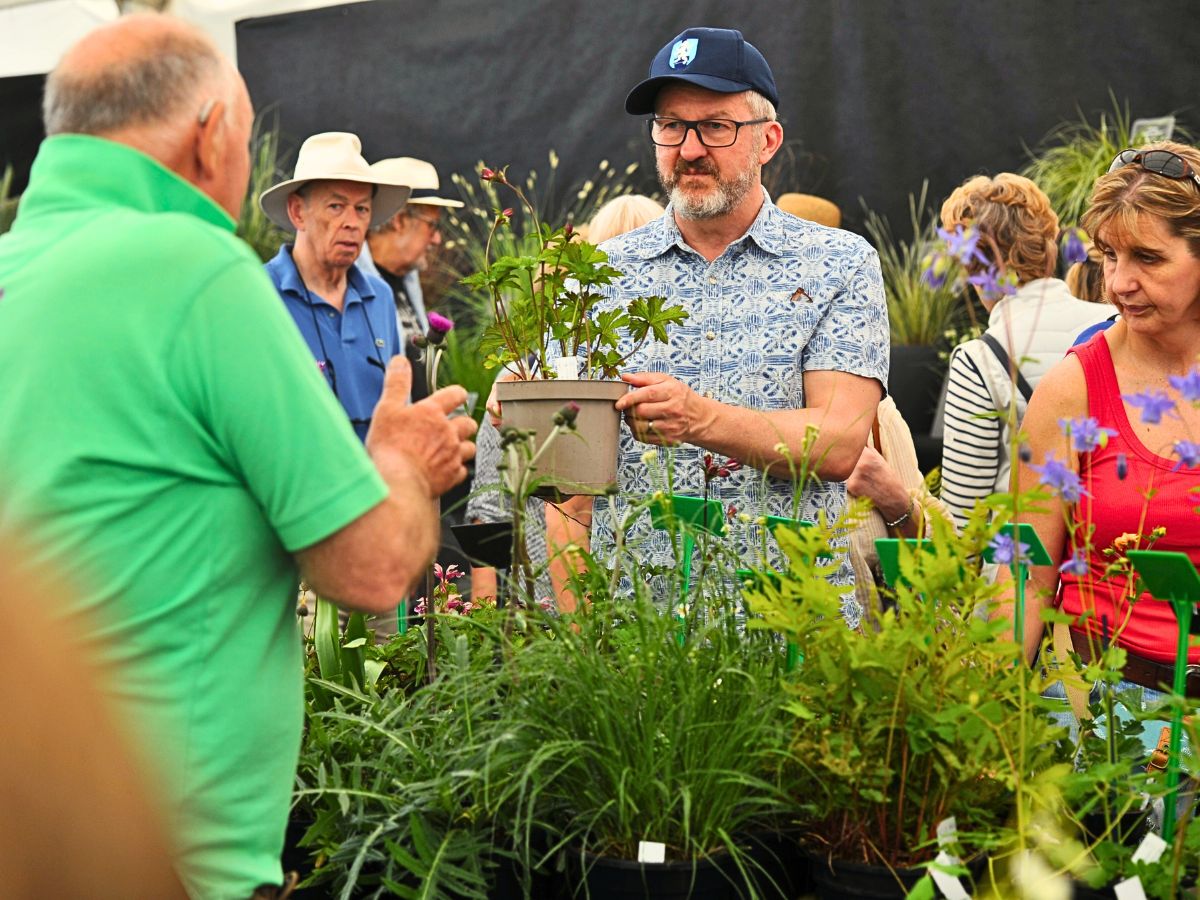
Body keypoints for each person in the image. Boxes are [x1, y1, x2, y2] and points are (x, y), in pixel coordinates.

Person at [0, 16, 475, 899]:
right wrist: (406, 464)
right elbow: (369, 569)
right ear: (211, 133)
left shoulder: (11, 270)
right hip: (173, 856)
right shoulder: (195, 267)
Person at [545, 27, 888, 623]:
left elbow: (837, 443)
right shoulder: (600, 274)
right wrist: (533, 422)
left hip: (792, 633)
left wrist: (698, 419)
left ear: (768, 140)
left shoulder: (839, 263)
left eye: (716, 126)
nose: (691, 148)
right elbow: (567, 484)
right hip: (640, 639)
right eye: (672, 126)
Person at [999, 143, 1200, 697]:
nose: (1117, 283)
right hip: (1109, 713)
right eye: (1108, 255)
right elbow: (1021, 579)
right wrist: (981, 726)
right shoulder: (1076, 388)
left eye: (1148, 258)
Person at [472, 194, 667, 610]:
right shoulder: (525, 382)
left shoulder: (662, 381)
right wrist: (482, 621)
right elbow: (489, 511)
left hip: (650, 594)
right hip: (549, 604)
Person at [937, 173, 1112, 529]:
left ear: (971, 265)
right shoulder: (1115, 325)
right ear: (1049, 240)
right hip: (1105, 558)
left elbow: (964, 517)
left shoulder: (979, 359)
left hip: (1020, 569)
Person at [259, 133, 410, 442]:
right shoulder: (260, 294)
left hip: (378, 484)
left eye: (362, 209)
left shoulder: (379, 297)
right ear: (298, 212)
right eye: (336, 206)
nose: (352, 222)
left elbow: (397, 409)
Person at [360, 156, 464, 402]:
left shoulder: (404, 281)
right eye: (432, 225)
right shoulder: (351, 285)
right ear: (398, 220)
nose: (437, 239)